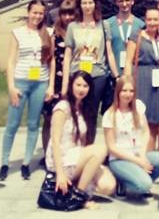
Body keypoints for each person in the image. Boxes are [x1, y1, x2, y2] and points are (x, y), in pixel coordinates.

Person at [0, 0, 55, 181]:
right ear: (28, 12)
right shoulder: (18, 33)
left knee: (33, 124)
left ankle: (26, 163)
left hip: (40, 83)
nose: (37, 16)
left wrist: (51, 86)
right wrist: (11, 87)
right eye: (34, 12)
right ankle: (4, 163)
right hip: (21, 82)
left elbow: (51, 61)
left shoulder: (49, 33)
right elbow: (11, 61)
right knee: (12, 124)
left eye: (41, 13)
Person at [45, 71, 115, 206]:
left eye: (85, 86)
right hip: (61, 161)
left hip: (76, 157)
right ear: (71, 85)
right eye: (78, 85)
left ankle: (76, 185)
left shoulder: (83, 108)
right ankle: (79, 196)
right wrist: (60, 173)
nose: (81, 89)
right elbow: (55, 142)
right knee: (101, 149)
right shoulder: (62, 108)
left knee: (108, 186)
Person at [103, 76, 159, 198]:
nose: (128, 94)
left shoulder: (138, 106)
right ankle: (122, 181)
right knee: (144, 185)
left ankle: (142, 177)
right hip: (120, 159)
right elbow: (112, 148)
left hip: (138, 153)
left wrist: (142, 155)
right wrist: (138, 162)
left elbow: (146, 132)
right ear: (118, 92)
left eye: (131, 91)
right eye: (124, 91)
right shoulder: (109, 115)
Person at [126, 6, 159, 150]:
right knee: (144, 119)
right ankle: (145, 153)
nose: (152, 22)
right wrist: (128, 84)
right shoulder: (137, 36)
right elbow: (128, 61)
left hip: (158, 81)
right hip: (142, 79)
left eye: (155, 19)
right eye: (149, 19)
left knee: (158, 120)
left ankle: (158, 153)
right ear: (145, 20)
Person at [62, 0, 114, 111]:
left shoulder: (104, 25)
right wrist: (65, 83)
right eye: (84, 3)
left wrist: (116, 76)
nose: (87, 6)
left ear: (95, 4)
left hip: (97, 75)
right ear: (79, 5)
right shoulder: (72, 26)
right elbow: (67, 56)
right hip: (77, 74)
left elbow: (109, 53)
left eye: (90, 2)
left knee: (92, 112)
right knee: (75, 111)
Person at [42, 2, 75, 151]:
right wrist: (51, 86)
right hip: (56, 80)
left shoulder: (78, 31)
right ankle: (47, 154)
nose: (67, 17)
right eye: (64, 14)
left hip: (74, 79)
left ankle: (66, 152)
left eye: (70, 13)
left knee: (71, 118)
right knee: (50, 118)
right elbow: (52, 59)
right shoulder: (54, 33)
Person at [105, 0, 144, 78]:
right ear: (116, 2)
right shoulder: (108, 24)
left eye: (127, 0)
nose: (124, 4)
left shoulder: (141, 25)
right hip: (113, 74)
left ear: (132, 1)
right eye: (121, 1)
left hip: (134, 75)